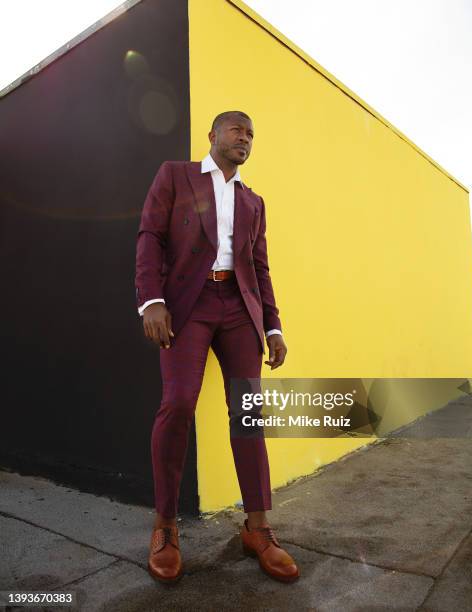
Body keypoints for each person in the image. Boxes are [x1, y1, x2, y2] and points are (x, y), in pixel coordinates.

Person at [135, 110, 299, 583]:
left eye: (251, 133)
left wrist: (273, 327)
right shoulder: (176, 175)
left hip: (239, 310)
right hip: (188, 302)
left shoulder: (254, 201)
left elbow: (260, 267)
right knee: (179, 402)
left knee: (248, 412)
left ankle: (258, 528)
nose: (245, 138)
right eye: (237, 130)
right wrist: (151, 301)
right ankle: (165, 526)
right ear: (213, 136)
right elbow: (150, 236)